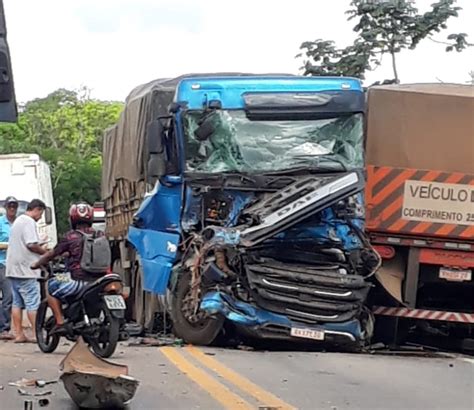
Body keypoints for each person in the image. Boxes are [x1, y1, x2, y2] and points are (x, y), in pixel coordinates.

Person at [32, 202, 103, 334]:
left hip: (76, 279)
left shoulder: (70, 236)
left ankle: (60, 322)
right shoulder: (100, 235)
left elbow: (51, 254)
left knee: (51, 284)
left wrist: (36, 264)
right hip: (99, 280)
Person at [6, 199, 47, 343]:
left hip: (13, 268)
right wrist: (45, 253)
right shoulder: (29, 222)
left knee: (17, 302)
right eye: (41, 213)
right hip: (26, 269)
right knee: (32, 302)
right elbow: (31, 244)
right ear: (37, 209)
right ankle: (37, 334)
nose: (40, 217)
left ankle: (19, 334)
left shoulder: (18, 221)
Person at [0, 196, 18, 340]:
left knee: (13, 297)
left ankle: (8, 327)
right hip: (3, 262)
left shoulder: (19, 223)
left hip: (16, 264)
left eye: (14, 206)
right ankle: (4, 328)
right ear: (6, 207)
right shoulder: (1, 222)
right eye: (10, 206)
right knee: (8, 296)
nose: (12, 208)